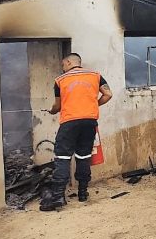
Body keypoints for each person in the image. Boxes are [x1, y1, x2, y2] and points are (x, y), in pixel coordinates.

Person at [40, 53, 112, 211]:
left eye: (63, 64)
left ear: (68, 62)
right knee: (84, 156)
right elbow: (108, 94)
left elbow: (57, 106)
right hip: (89, 122)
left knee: (63, 157)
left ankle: (58, 196)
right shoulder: (96, 75)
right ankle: (83, 193)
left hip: (69, 123)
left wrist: (51, 111)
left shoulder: (60, 80)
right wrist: (93, 106)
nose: (62, 67)